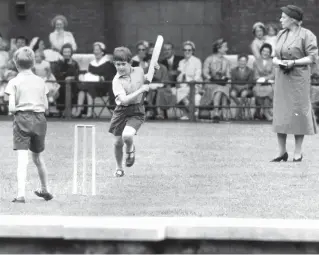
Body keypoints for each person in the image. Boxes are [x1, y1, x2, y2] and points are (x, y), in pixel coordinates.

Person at [4, 46, 53, 203]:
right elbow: (46, 107)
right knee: (38, 158)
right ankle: (45, 189)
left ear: (15, 64)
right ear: (33, 64)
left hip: (22, 119)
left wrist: (21, 107)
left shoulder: (14, 81)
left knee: (22, 158)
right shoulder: (40, 81)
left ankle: (20, 195)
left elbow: (11, 108)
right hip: (39, 119)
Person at [272, 5, 318, 162]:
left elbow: (312, 58)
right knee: (281, 113)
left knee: (298, 113)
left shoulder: (307, 35)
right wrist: (278, 61)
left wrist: (293, 62)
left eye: (283, 17)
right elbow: (274, 56)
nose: (280, 20)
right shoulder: (280, 34)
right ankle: (281, 152)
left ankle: (298, 152)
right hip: (282, 78)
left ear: (292, 20)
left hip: (298, 79)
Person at [109, 47, 158, 177]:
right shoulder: (116, 81)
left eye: (123, 64)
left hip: (136, 110)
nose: (120, 67)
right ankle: (119, 168)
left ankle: (130, 150)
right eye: (117, 64)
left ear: (130, 62)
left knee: (127, 136)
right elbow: (124, 100)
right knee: (117, 143)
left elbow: (146, 78)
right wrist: (141, 90)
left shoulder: (139, 71)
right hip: (121, 111)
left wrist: (154, 70)